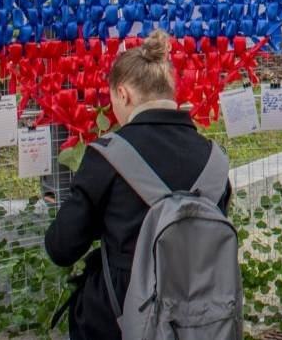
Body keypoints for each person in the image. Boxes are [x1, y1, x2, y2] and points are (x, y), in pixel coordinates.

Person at [45, 31, 230, 340]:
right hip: (203, 320)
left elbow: (61, 248)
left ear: (124, 95)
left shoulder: (107, 157)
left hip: (119, 319)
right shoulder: (214, 160)